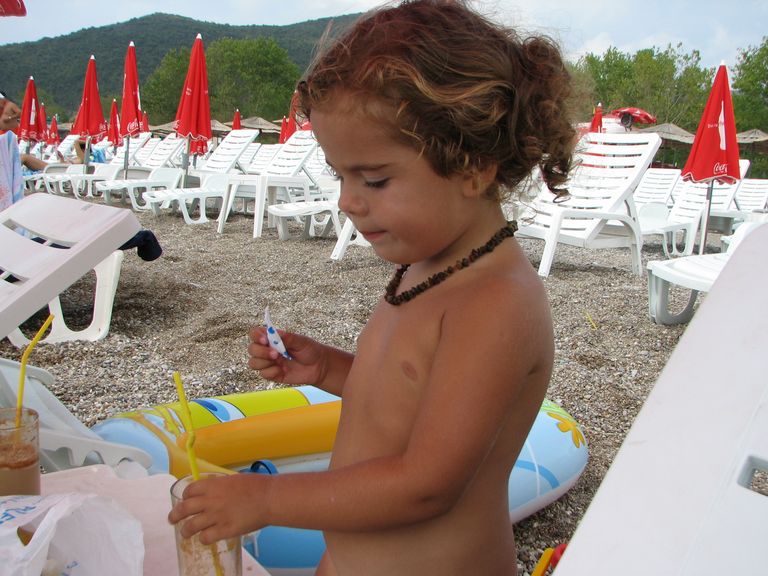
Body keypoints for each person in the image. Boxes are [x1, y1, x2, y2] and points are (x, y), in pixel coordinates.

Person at [168, 2, 575, 575]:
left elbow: (425, 486)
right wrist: (329, 369)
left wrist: (266, 498)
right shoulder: (427, 264)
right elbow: (406, 397)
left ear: (473, 166)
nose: (347, 201)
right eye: (340, 175)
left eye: (375, 179)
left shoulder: (496, 302)